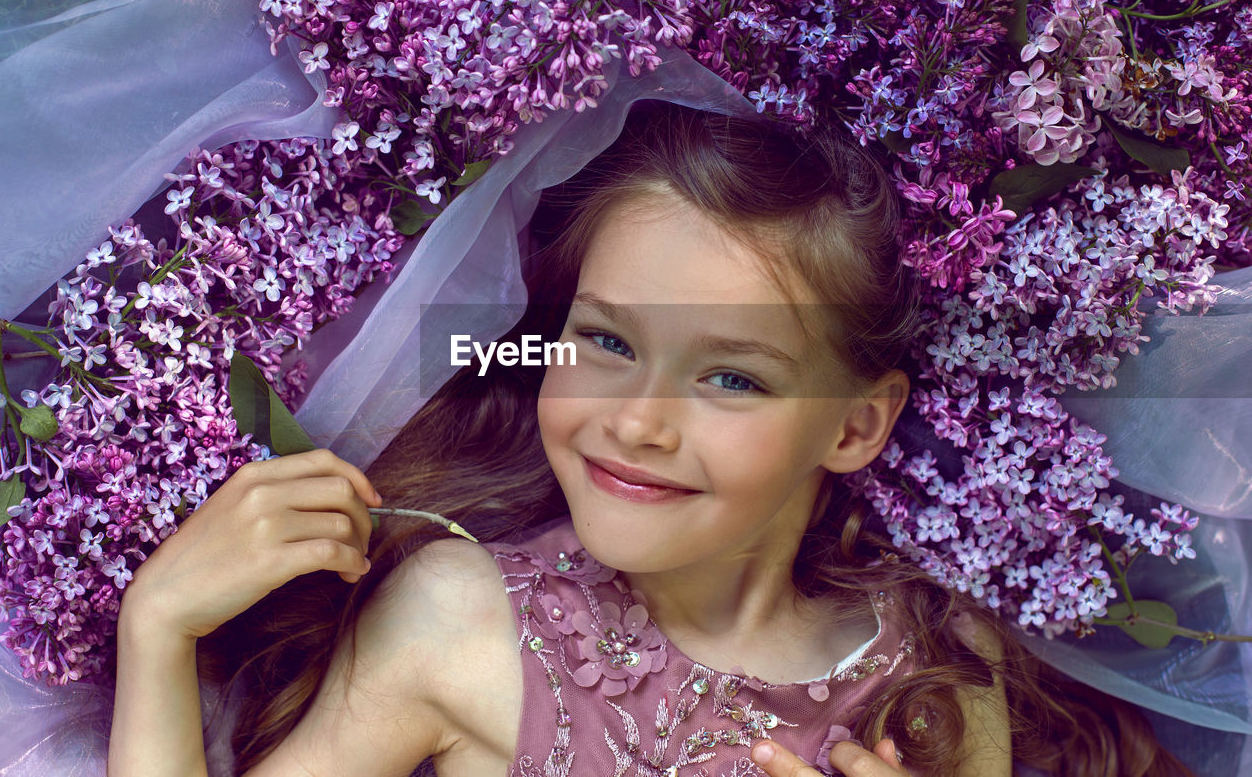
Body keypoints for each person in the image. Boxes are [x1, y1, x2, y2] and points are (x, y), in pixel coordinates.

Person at [104, 101, 1200, 776]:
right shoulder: (459, 622)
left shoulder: (934, 673)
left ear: (855, 425)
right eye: (606, 343)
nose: (635, 419)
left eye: (731, 375)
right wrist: (157, 626)